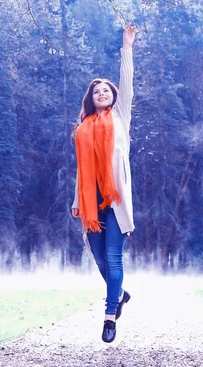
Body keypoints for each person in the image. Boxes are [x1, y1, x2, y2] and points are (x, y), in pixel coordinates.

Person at [71, 22, 137, 343]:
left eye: (106, 91)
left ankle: (110, 315)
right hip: (90, 199)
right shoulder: (83, 127)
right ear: (90, 98)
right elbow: (81, 169)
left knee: (113, 256)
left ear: (112, 97)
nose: (102, 94)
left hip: (116, 198)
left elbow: (127, 81)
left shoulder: (121, 116)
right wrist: (75, 199)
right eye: (96, 91)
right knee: (97, 256)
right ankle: (120, 292)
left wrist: (127, 45)